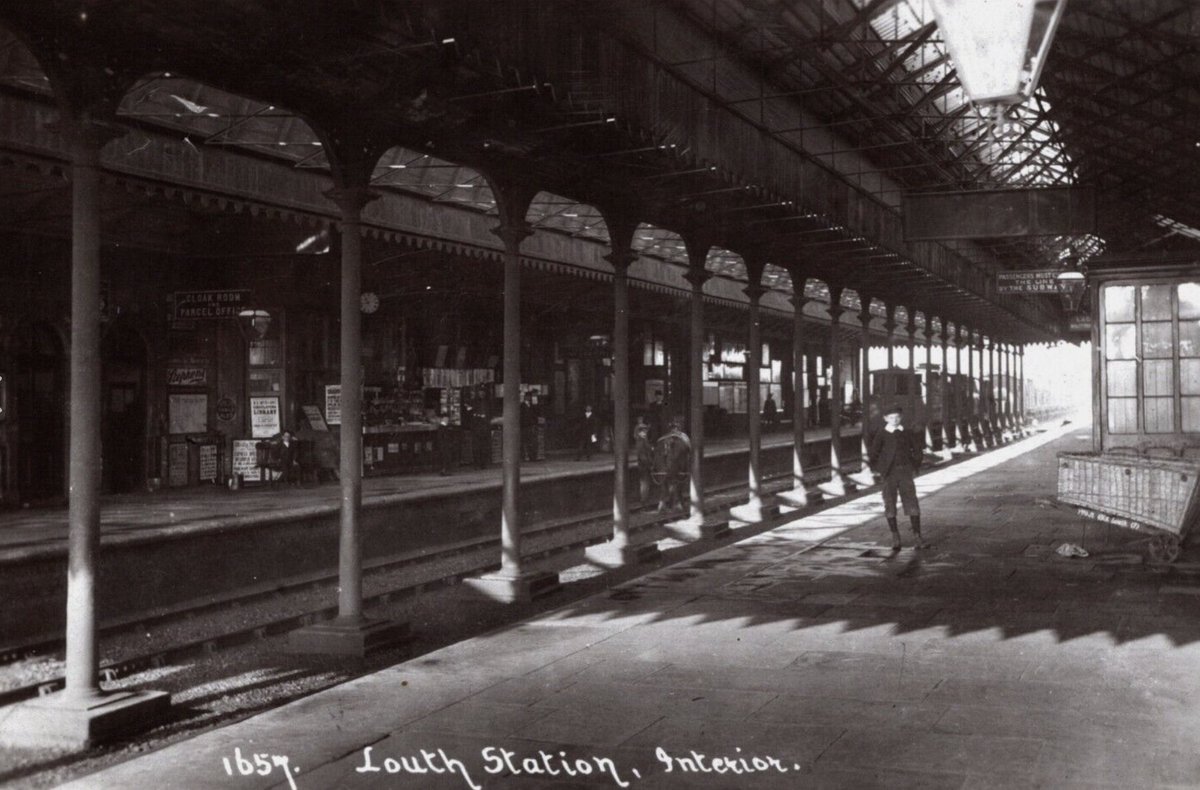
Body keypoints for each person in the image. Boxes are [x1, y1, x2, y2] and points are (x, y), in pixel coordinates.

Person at [868, 404, 925, 551]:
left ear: (901, 418)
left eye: (897, 417)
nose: (894, 420)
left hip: (905, 473)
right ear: (885, 419)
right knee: (890, 504)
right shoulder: (881, 433)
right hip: (889, 474)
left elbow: (917, 449)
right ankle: (895, 536)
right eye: (891, 417)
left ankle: (917, 536)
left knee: (912, 503)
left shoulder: (907, 432)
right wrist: (881, 469)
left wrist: (915, 464)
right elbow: (873, 453)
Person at [634, 417, 654, 505]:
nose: (645, 432)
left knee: (644, 482)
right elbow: (642, 455)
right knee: (645, 483)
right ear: (640, 432)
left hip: (643, 464)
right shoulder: (641, 441)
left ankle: (644, 499)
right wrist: (650, 464)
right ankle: (644, 501)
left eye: (646, 431)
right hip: (644, 465)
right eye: (644, 431)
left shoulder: (643, 440)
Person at [520, 392, 537, 461]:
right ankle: (523, 457)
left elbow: (535, 415)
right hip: (524, 426)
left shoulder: (533, 406)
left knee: (531, 441)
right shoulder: (521, 406)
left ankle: (532, 456)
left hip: (531, 425)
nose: (529, 398)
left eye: (530, 397)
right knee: (523, 441)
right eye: (527, 397)